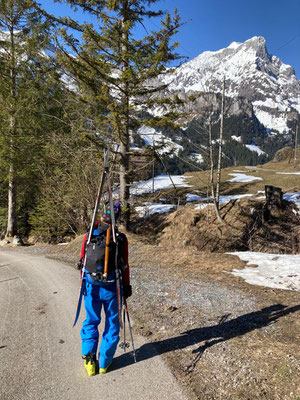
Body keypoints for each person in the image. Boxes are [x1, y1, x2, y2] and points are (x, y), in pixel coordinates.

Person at [78, 203, 131, 376]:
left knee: (91, 320)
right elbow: (125, 265)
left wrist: (83, 283)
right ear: (118, 218)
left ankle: (89, 360)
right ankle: (104, 362)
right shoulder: (120, 238)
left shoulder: (90, 234)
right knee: (112, 324)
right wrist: (126, 286)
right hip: (112, 287)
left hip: (91, 285)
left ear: (102, 216)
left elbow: (82, 261)